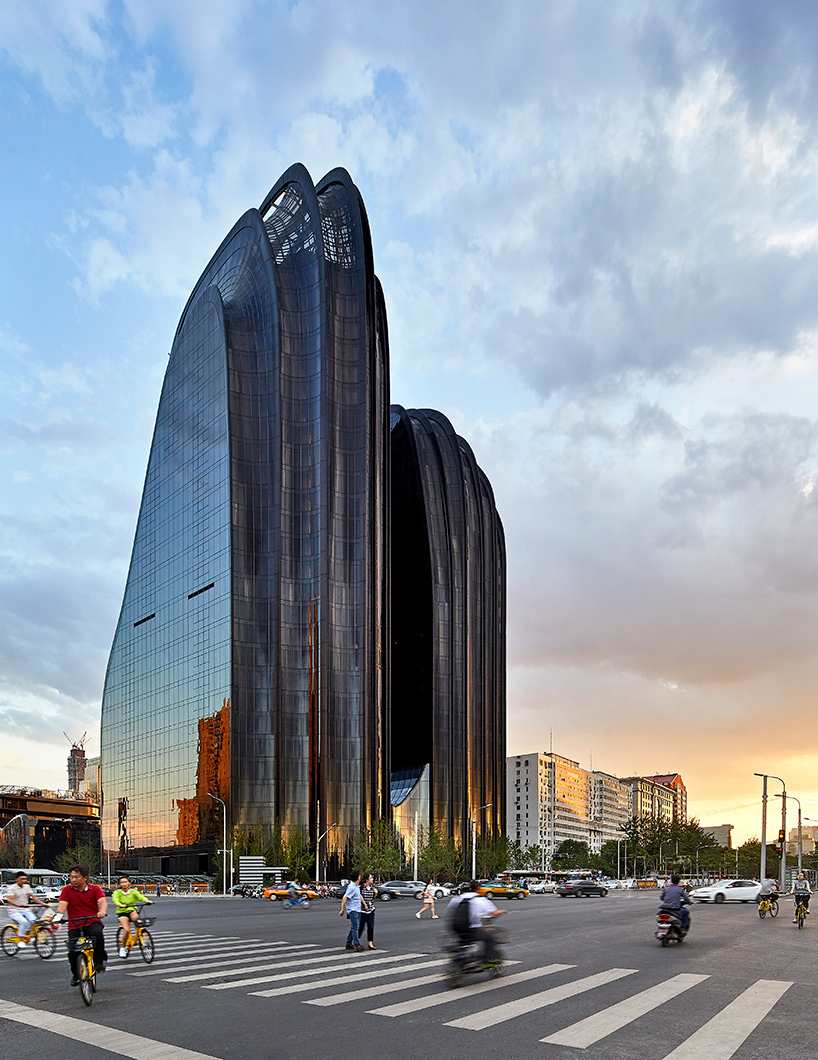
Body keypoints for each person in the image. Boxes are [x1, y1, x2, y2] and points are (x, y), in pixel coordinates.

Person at [53, 864, 108, 986]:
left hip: (92, 921)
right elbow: (62, 906)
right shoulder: (67, 890)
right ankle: (76, 974)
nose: (73, 880)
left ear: (85, 878)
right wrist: (58, 917)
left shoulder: (95, 889)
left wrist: (102, 911)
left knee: (97, 934)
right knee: (72, 950)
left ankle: (99, 961)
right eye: (71, 877)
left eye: (76, 877)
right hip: (74, 924)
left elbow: (102, 902)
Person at [447, 879, 505, 963]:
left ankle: (462, 957)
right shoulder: (480, 900)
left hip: (455, 928)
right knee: (490, 939)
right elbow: (494, 913)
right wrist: (501, 912)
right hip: (471, 929)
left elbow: (451, 909)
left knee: (464, 941)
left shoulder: (457, 899)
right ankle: (487, 960)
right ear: (478, 889)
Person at [111, 876, 152, 957]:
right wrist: (120, 905)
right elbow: (115, 900)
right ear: (119, 884)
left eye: (125, 882)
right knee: (126, 929)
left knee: (136, 919)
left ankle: (140, 933)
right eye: (122, 882)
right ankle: (123, 948)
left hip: (132, 910)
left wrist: (146, 901)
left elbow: (140, 897)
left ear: (129, 883)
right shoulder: (117, 893)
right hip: (122, 912)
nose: (124, 884)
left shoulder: (133, 892)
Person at [5, 871, 48, 946]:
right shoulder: (12, 888)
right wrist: (18, 905)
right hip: (14, 910)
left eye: (25, 879)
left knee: (34, 921)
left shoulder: (27, 887)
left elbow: (33, 897)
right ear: (17, 879)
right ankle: (21, 940)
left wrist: (43, 904)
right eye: (22, 879)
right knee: (23, 922)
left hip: (25, 909)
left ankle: (28, 934)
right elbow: (10, 900)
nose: (24, 880)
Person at [339, 870, 364, 951]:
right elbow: (344, 898)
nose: (360, 877)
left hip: (357, 909)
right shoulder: (352, 887)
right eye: (359, 876)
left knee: (354, 927)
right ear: (357, 878)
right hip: (353, 910)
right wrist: (342, 910)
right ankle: (357, 945)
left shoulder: (356, 886)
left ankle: (348, 943)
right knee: (355, 927)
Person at [359, 873, 377, 949]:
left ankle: (370, 942)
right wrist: (365, 905)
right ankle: (357, 941)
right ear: (367, 879)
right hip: (363, 910)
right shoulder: (361, 888)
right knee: (361, 927)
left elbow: (373, 898)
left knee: (371, 927)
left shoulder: (372, 888)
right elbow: (360, 897)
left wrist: (375, 893)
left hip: (371, 909)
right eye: (371, 878)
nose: (372, 879)